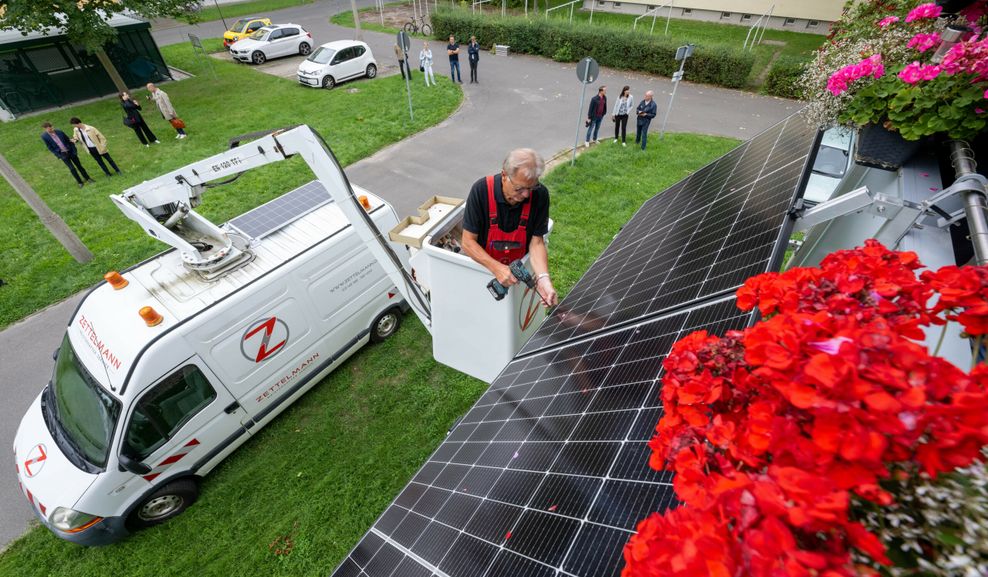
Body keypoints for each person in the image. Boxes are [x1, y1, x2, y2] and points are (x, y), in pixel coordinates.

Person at [462, 148, 558, 307]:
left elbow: (537, 243)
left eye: (531, 187)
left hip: (519, 276)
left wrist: (543, 278)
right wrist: (496, 268)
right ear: (504, 175)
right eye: (520, 188)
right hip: (483, 270)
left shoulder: (540, 195)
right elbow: (468, 242)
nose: (526, 195)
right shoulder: (481, 191)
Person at [40, 121, 93, 188]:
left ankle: (88, 178)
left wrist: (74, 151)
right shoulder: (44, 136)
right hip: (62, 154)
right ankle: (80, 182)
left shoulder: (59, 132)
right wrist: (58, 155)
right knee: (72, 169)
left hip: (70, 151)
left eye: (51, 127)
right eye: (49, 129)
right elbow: (50, 147)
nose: (51, 129)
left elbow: (68, 140)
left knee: (79, 166)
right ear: (45, 129)